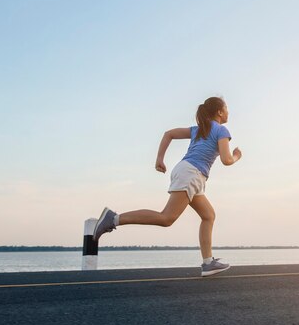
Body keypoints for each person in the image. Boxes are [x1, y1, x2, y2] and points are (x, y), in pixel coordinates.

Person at [92, 97, 242, 277]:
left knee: (208, 215)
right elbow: (226, 160)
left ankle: (208, 263)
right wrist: (236, 156)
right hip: (192, 173)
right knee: (166, 218)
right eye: (226, 108)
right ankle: (113, 219)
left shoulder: (199, 129)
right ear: (219, 112)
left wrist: (159, 159)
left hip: (190, 173)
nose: (228, 112)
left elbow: (168, 134)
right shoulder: (221, 130)